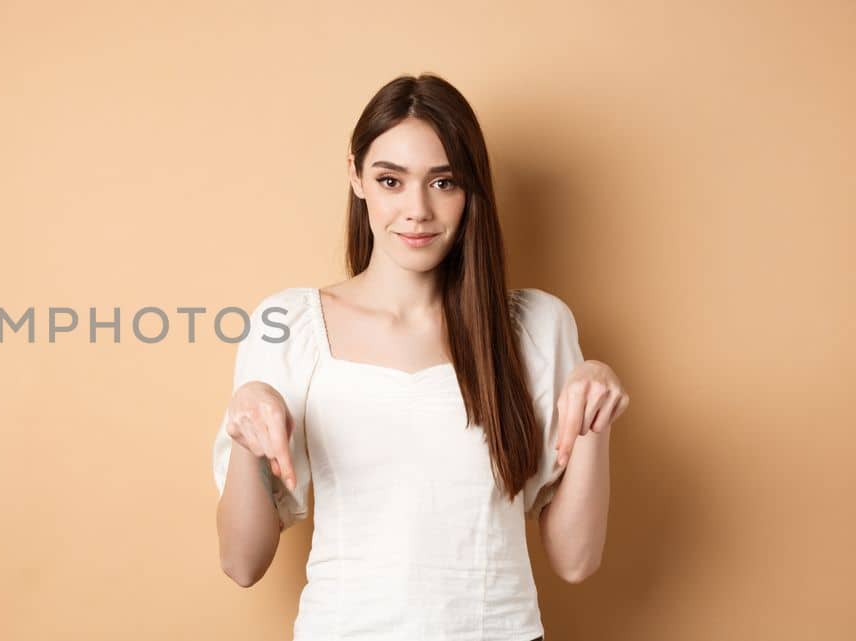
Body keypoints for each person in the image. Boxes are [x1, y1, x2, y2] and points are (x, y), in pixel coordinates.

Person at [211, 74, 631, 641]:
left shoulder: (536, 328)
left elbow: (576, 561)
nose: (417, 210)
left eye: (443, 182)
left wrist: (594, 422)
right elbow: (242, 563)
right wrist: (244, 430)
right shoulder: (287, 327)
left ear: (471, 189)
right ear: (356, 177)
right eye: (391, 180)